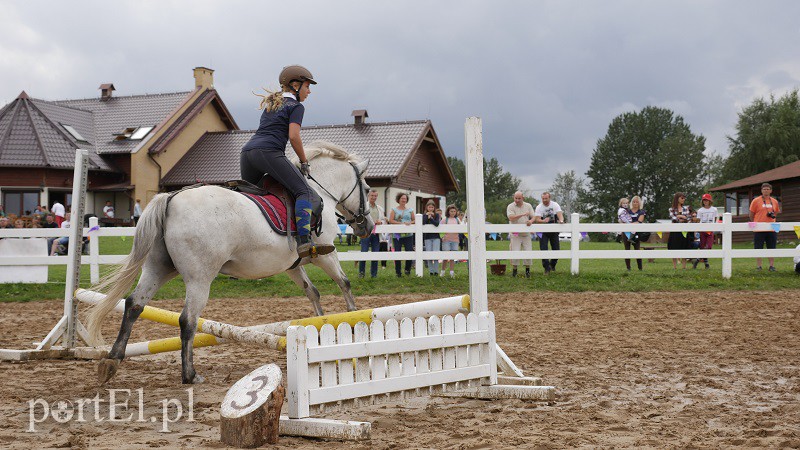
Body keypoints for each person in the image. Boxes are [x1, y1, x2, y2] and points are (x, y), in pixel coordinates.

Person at [240, 65, 322, 258]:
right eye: (307, 86)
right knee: (303, 191)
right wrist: (304, 161)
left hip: (247, 153)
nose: (309, 91)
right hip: (269, 153)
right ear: (295, 85)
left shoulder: (272, 104)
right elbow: (294, 136)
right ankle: (304, 241)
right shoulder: (296, 107)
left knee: (250, 199)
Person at [750, 182, 781, 271]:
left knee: (771, 247)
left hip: (771, 228)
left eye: (768, 189)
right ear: (761, 190)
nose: (766, 191)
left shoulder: (774, 201)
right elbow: (751, 214)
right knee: (758, 247)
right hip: (759, 228)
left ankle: (771, 266)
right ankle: (759, 266)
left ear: (771, 190)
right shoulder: (756, 200)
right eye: (764, 189)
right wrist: (755, 223)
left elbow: (776, 213)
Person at [534, 192, 564, 275]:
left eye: (546, 198)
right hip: (542, 232)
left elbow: (560, 214)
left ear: (549, 198)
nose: (544, 200)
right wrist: (543, 221)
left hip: (554, 230)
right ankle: (546, 268)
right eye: (543, 198)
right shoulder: (539, 207)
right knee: (543, 249)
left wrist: (561, 220)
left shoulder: (555, 205)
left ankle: (552, 264)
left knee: (556, 249)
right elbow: (537, 219)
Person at [507, 191, 534, 278]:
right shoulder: (510, 206)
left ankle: (527, 271)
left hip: (526, 233)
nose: (517, 200)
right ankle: (515, 271)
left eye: (519, 198)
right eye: (516, 198)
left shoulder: (528, 205)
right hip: (515, 233)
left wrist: (530, 221)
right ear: (513, 198)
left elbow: (534, 216)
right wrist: (522, 214)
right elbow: (511, 218)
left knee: (528, 251)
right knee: (515, 252)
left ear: (523, 198)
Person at [358, 189, 384, 278]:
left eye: (375, 196)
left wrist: (381, 222)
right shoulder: (363, 206)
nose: (374, 197)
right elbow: (360, 218)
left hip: (376, 234)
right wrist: (372, 221)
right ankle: (361, 273)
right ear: (368, 196)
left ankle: (374, 274)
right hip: (366, 233)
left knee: (375, 254)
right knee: (364, 252)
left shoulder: (379, 208)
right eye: (372, 195)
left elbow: (383, 219)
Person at [388, 193, 414, 277]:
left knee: (409, 252)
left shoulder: (410, 210)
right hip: (397, 235)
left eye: (405, 199)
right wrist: (401, 224)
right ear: (398, 199)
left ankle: (407, 269)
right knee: (397, 253)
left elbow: (415, 220)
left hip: (408, 235)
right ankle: (398, 272)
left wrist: (410, 223)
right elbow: (391, 220)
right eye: (402, 198)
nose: (404, 200)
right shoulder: (394, 210)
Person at [668, 192, 695, 269]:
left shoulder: (686, 208)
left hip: (684, 231)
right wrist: (681, 216)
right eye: (682, 198)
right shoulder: (671, 209)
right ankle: (674, 266)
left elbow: (688, 218)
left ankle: (684, 267)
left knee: (684, 246)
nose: (683, 199)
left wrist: (681, 217)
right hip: (674, 231)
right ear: (677, 198)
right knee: (674, 247)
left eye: (684, 198)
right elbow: (673, 218)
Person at [618, 197, 643, 271]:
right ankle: (628, 268)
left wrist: (629, 224)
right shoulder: (626, 211)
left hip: (636, 233)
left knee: (637, 250)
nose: (635, 203)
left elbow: (639, 221)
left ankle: (640, 268)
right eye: (634, 202)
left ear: (639, 203)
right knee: (627, 250)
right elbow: (621, 219)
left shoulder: (641, 212)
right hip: (626, 233)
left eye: (637, 202)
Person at [694, 193, 718, 269]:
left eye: (707, 200)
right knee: (702, 246)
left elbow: (716, 218)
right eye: (704, 200)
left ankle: (698, 259)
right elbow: (698, 220)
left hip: (710, 230)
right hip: (702, 230)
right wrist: (697, 230)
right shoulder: (700, 210)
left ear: (710, 201)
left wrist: (716, 226)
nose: (705, 202)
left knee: (709, 246)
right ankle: (706, 263)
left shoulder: (714, 209)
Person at [422, 200, 441, 276]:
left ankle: (436, 271)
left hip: (436, 237)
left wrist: (431, 218)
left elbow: (436, 224)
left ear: (434, 208)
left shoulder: (436, 215)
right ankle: (431, 271)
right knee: (428, 254)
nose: (431, 208)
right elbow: (423, 223)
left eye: (432, 207)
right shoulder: (424, 215)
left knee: (435, 253)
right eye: (429, 207)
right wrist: (427, 216)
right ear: (427, 207)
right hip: (427, 237)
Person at [441, 205, 460, 278]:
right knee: (445, 257)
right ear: (448, 212)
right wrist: (442, 237)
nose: (453, 213)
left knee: (453, 257)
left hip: (455, 240)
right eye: (451, 211)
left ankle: (452, 272)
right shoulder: (445, 220)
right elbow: (440, 229)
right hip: (446, 240)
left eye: (454, 211)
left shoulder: (457, 220)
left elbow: (461, 228)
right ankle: (442, 272)